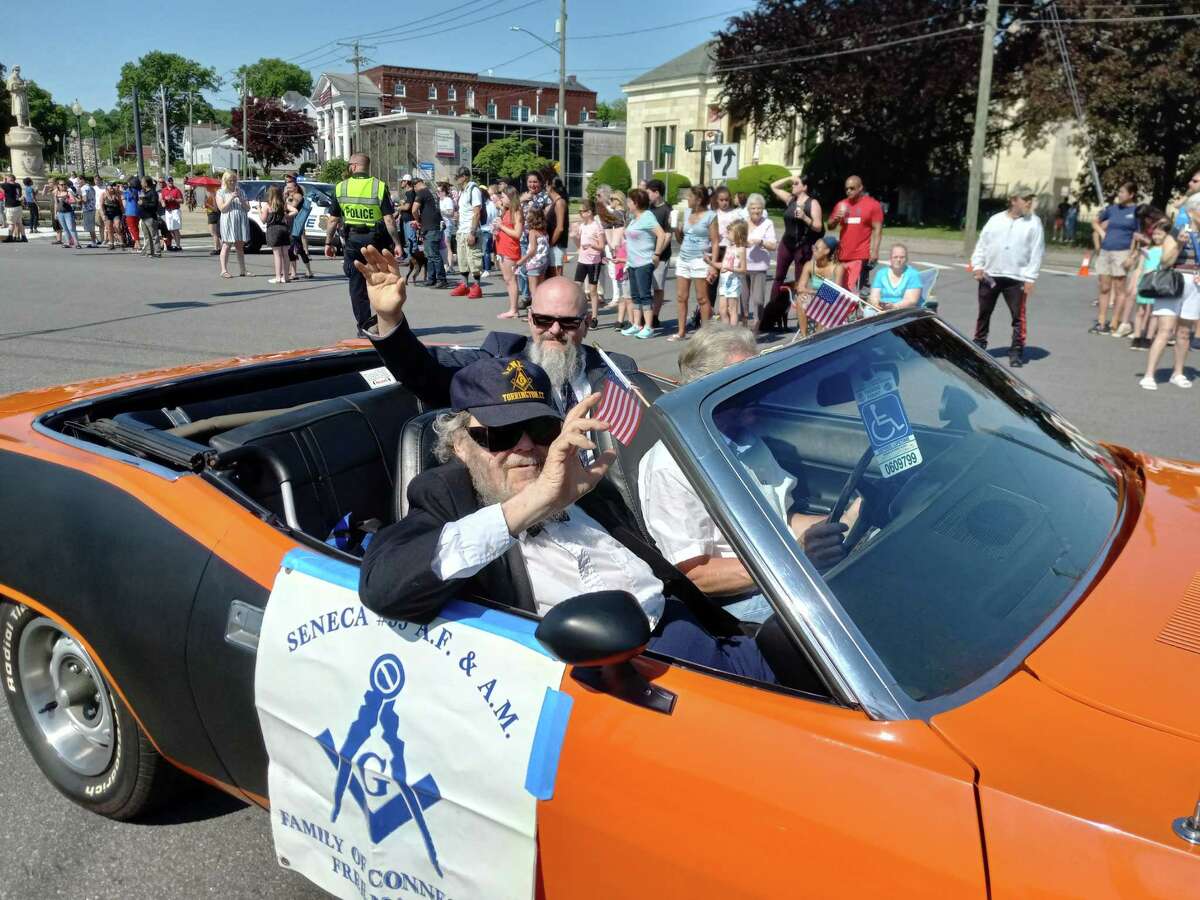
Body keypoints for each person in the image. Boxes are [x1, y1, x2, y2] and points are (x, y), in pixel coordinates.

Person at [358, 356, 775, 684]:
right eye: (501, 435)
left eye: (540, 429)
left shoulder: (584, 484)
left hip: (709, 635)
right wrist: (533, 503)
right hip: (631, 678)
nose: (526, 448)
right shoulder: (446, 495)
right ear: (460, 445)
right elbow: (386, 587)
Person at [637, 324, 852, 624]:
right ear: (705, 391)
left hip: (779, 572)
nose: (755, 392)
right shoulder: (670, 466)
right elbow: (696, 575)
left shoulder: (746, 438)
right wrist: (794, 560)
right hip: (736, 602)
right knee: (846, 604)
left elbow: (783, 518)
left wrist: (846, 524)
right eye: (741, 385)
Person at [353, 247, 638, 417]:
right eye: (543, 320)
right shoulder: (501, 356)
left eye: (568, 323)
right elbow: (427, 377)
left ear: (586, 324)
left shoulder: (616, 371)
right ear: (529, 319)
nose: (554, 331)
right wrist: (390, 318)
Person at [970, 184, 1045, 367]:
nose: (1029, 203)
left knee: (1018, 316)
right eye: (1025, 199)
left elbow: (1037, 252)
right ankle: (979, 343)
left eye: (1030, 199)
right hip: (991, 275)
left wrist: (1030, 278)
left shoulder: (1034, 223)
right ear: (1013, 200)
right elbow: (983, 243)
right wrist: (978, 265)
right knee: (984, 312)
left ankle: (1016, 350)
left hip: (1016, 277)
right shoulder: (995, 220)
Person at [324, 153, 402, 329]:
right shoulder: (379, 186)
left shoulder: (340, 188)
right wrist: (397, 243)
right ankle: (385, 323)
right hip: (376, 240)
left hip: (353, 241)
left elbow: (333, 220)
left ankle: (364, 325)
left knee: (357, 285)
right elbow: (389, 220)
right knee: (381, 280)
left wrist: (328, 242)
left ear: (353, 166)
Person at [1140, 193, 1200, 390]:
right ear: (1192, 211)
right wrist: (1180, 244)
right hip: (1173, 281)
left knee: (1184, 332)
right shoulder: (1175, 231)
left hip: (1195, 284)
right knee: (1165, 330)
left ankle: (1178, 372)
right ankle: (1149, 374)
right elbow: (1165, 262)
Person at [765, 174, 823, 327]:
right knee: (778, 277)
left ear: (805, 187)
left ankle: (801, 317)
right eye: (793, 183)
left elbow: (818, 227)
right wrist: (790, 177)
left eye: (796, 183)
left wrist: (805, 217)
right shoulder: (791, 199)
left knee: (800, 282)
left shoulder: (813, 203)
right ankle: (772, 314)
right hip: (786, 243)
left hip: (802, 246)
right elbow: (774, 186)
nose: (793, 185)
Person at [1091, 182, 1139, 336]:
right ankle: (1101, 322)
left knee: (1120, 289)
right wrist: (1102, 233)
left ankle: (1115, 322)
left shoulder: (1136, 211)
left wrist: (1133, 256)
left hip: (1122, 252)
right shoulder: (1112, 209)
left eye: (1123, 192)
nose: (1120, 194)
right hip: (1106, 251)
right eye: (1119, 191)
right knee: (1104, 287)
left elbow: (1138, 236)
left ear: (1131, 194)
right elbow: (1095, 221)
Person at [671, 186, 718, 341]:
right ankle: (681, 331)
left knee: (702, 298)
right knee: (681, 296)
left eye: (690, 197)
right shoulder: (687, 213)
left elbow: (715, 241)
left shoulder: (710, 215)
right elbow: (681, 239)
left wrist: (713, 265)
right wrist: (676, 230)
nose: (687, 200)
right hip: (684, 258)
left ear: (698, 200)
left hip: (701, 259)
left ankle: (705, 333)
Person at [623, 188, 670, 339]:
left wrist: (656, 254)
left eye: (629, 201)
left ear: (636, 203)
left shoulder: (648, 216)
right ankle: (637, 324)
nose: (627, 204)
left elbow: (661, 235)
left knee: (645, 295)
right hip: (633, 263)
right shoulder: (633, 218)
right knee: (635, 295)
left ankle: (649, 326)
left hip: (644, 262)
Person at [826, 175, 883, 292]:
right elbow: (830, 226)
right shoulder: (841, 204)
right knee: (834, 290)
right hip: (841, 256)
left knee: (852, 293)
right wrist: (835, 219)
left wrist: (875, 251)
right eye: (846, 189)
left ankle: (851, 309)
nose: (848, 191)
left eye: (852, 188)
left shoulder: (873, 205)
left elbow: (877, 229)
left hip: (860, 257)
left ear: (860, 188)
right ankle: (822, 308)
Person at [1130, 217, 1169, 351]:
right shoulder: (1147, 249)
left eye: (1160, 234)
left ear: (1166, 236)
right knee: (1140, 310)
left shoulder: (1166, 250)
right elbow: (1139, 268)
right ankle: (1137, 336)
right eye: (1155, 234)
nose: (1156, 236)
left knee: (1153, 312)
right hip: (1144, 282)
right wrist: (1135, 285)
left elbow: (1167, 265)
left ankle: (1148, 337)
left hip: (1157, 282)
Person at [795, 235, 844, 334]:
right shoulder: (809, 265)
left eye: (817, 248)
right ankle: (804, 337)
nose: (813, 250)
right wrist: (817, 293)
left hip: (831, 302)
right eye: (813, 247)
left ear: (827, 251)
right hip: (817, 297)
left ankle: (818, 336)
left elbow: (836, 292)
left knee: (823, 301)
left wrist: (814, 293)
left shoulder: (837, 268)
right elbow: (800, 288)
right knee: (800, 299)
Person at [448, 167, 485, 299]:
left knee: (474, 260)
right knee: (463, 260)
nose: (456, 179)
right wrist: (458, 217)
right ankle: (464, 285)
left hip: (470, 230)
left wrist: (472, 232)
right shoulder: (463, 192)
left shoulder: (473, 190)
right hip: (461, 231)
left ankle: (477, 287)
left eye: (458, 177)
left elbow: (476, 212)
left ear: (465, 177)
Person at [743, 193, 777, 332]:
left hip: (759, 266)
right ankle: (744, 327)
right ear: (748, 209)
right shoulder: (743, 222)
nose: (756, 211)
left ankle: (757, 325)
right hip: (743, 266)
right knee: (743, 299)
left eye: (759, 208)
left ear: (763, 209)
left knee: (758, 300)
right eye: (753, 208)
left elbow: (773, 245)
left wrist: (761, 242)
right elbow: (734, 241)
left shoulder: (768, 223)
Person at [573, 198, 606, 328]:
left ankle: (594, 317)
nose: (581, 214)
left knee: (593, 290)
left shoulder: (597, 226)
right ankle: (576, 313)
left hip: (594, 261)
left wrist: (592, 244)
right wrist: (574, 237)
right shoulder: (582, 226)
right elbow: (578, 245)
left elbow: (602, 246)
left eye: (583, 211)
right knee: (577, 287)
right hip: (582, 260)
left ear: (590, 212)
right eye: (580, 211)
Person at [646, 179, 674, 327]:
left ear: (657, 193)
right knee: (645, 287)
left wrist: (657, 253)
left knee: (657, 287)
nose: (647, 195)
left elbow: (668, 235)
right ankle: (646, 314)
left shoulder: (667, 210)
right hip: (645, 253)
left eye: (649, 192)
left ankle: (655, 315)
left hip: (661, 256)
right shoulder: (648, 208)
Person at [411, 175, 447, 289]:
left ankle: (442, 279)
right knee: (429, 255)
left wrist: (417, 220)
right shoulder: (432, 192)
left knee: (433, 254)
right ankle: (431, 279)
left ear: (415, 185)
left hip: (430, 227)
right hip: (433, 226)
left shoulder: (421, 193)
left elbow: (414, 209)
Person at [494, 186, 523, 319]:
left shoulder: (516, 212)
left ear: (510, 198)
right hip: (502, 249)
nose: (501, 198)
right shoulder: (506, 211)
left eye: (504, 196)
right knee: (508, 280)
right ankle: (512, 308)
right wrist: (497, 229)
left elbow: (517, 233)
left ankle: (514, 310)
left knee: (511, 280)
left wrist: (501, 227)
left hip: (510, 250)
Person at [867, 244, 923, 311]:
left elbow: (911, 300)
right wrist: (876, 304)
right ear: (890, 259)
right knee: (868, 311)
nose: (898, 260)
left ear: (906, 259)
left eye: (902, 257)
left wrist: (894, 306)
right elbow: (874, 296)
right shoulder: (881, 273)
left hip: (903, 309)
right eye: (895, 257)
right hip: (881, 308)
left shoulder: (913, 274)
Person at [217, 170, 250, 277]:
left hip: (240, 220)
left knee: (240, 246)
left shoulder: (241, 191)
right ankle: (224, 270)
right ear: (225, 181)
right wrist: (230, 198)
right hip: (228, 221)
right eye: (230, 180)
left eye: (234, 180)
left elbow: (247, 208)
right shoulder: (221, 192)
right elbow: (222, 208)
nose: (232, 182)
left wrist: (240, 198)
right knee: (227, 244)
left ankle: (243, 270)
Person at [718, 221, 749, 325]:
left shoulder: (741, 249)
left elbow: (743, 270)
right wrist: (710, 262)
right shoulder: (729, 247)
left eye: (729, 232)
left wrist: (731, 268)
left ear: (738, 234)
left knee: (732, 310)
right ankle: (726, 332)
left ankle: (733, 334)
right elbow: (724, 265)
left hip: (734, 281)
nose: (727, 234)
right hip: (724, 280)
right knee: (722, 310)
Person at [515, 207, 550, 297]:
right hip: (543, 262)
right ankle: (542, 307)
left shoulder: (533, 232)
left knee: (533, 289)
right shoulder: (544, 231)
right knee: (541, 287)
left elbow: (532, 251)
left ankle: (534, 308)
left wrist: (520, 261)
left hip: (534, 263)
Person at [261, 186, 291, 284]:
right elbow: (293, 211)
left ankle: (278, 277)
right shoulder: (283, 204)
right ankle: (286, 277)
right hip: (284, 229)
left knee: (277, 255)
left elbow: (263, 220)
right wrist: (287, 216)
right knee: (285, 254)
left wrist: (259, 211)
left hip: (273, 230)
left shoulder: (267, 206)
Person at [287, 185, 315, 279]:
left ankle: (294, 273)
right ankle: (308, 271)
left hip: (295, 224)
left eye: (289, 187)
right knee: (299, 249)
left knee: (292, 248)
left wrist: (287, 198)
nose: (288, 189)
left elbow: (291, 207)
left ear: (295, 188)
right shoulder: (292, 196)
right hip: (292, 224)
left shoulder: (297, 196)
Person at [547, 176, 569, 278]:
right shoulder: (554, 202)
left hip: (556, 245)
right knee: (552, 274)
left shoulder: (559, 202)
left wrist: (550, 243)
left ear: (550, 187)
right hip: (554, 244)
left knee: (556, 275)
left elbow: (560, 227)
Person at [137, 177, 161, 257]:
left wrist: (142, 204)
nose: (141, 184)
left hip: (150, 217)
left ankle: (157, 251)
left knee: (154, 235)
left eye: (142, 182)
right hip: (143, 217)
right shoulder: (144, 193)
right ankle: (149, 251)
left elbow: (154, 205)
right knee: (147, 236)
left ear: (146, 184)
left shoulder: (153, 193)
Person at [396, 173, 417, 257]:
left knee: (411, 240)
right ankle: (410, 258)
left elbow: (407, 207)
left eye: (403, 181)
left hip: (409, 219)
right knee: (408, 240)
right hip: (406, 219)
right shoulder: (408, 193)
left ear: (407, 182)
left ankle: (414, 258)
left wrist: (399, 208)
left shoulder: (410, 192)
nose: (401, 183)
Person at [160, 176, 184, 251]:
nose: (170, 182)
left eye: (171, 181)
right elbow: (162, 199)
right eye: (169, 181)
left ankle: (178, 245)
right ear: (166, 182)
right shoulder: (164, 190)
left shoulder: (176, 190)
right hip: (168, 210)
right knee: (170, 228)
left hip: (175, 210)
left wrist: (173, 199)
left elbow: (182, 200)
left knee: (176, 228)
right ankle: (171, 244)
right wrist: (163, 202)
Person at [437, 182, 457, 272]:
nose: (437, 193)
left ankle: (450, 266)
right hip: (440, 225)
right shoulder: (439, 201)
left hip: (447, 225)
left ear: (444, 192)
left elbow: (451, 213)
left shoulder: (448, 200)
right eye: (437, 192)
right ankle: (446, 265)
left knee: (447, 245)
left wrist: (441, 211)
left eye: (439, 191)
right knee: (442, 246)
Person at [55, 179, 80, 249]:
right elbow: (56, 204)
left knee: (71, 228)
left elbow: (74, 201)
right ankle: (68, 242)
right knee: (65, 229)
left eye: (64, 184)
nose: (63, 186)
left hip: (68, 212)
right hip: (60, 213)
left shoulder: (68, 192)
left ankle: (77, 243)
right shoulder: (57, 193)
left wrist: (68, 201)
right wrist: (55, 213)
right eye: (61, 185)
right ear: (58, 186)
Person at [2, 174, 25, 242]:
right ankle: (24, 237)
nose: (6, 180)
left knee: (11, 223)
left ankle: (10, 237)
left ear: (10, 179)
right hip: (18, 206)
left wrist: (4, 181)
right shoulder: (18, 185)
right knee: (19, 223)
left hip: (11, 207)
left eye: (7, 178)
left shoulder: (6, 185)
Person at [101, 182, 123, 250]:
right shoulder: (104, 195)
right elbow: (101, 205)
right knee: (109, 228)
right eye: (110, 188)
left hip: (116, 213)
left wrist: (123, 212)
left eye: (112, 188)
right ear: (107, 189)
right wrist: (104, 214)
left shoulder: (116, 194)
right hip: (108, 213)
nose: (112, 190)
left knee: (117, 226)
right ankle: (111, 243)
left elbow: (121, 204)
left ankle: (121, 242)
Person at [123, 179, 141, 252]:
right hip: (137, 212)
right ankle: (136, 245)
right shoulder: (138, 191)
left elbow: (125, 198)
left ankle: (138, 243)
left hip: (130, 212)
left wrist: (123, 190)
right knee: (136, 228)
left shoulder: (128, 191)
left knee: (132, 228)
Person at [203, 185, 220, 255]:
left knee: (214, 233)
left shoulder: (213, 194)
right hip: (211, 214)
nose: (205, 188)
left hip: (213, 215)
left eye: (206, 186)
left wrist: (207, 205)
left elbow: (215, 208)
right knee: (215, 233)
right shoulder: (210, 194)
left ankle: (216, 248)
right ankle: (219, 247)